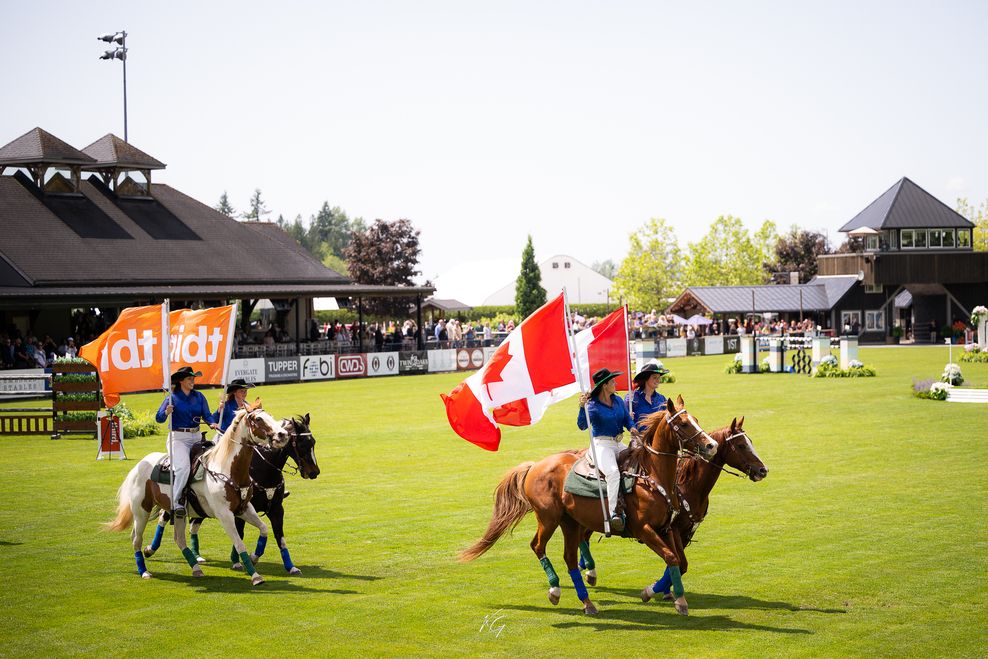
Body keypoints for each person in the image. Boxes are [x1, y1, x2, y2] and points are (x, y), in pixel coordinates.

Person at [577, 368, 638, 533]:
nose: (615, 383)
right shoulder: (592, 406)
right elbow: (582, 426)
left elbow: (627, 419)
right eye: (612, 382)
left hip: (619, 443)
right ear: (605, 385)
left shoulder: (617, 400)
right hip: (601, 445)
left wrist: (632, 428)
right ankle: (613, 513)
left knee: (640, 459)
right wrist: (582, 407)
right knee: (612, 473)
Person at [155, 366, 219, 518]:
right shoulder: (171, 398)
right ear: (181, 381)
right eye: (190, 379)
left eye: (193, 379)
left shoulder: (199, 396)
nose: (193, 381)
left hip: (197, 437)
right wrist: (166, 412)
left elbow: (207, 415)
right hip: (178, 439)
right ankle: (175, 502)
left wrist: (212, 423)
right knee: (183, 469)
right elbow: (159, 418)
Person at [626, 360, 669, 431]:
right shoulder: (631, 398)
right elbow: (624, 419)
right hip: (639, 438)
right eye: (654, 377)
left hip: (658, 439)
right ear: (646, 379)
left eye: (659, 377)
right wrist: (628, 418)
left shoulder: (662, 399)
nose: (658, 380)